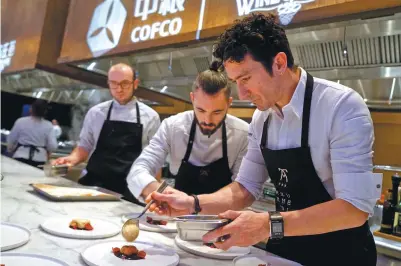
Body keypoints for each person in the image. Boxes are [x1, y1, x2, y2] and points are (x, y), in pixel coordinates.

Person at [147, 14, 382, 266]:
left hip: (341, 255)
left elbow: (354, 209)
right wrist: (191, 204)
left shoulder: (341, 107)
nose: (241, 93)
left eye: (246, 79)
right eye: (236, 82)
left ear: (279, 63)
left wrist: (268, 225)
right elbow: (245, 188)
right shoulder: (262, 118)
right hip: (285, 252)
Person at [127, 63, 249, 200]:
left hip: (222, 217)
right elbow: (138, 170)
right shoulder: (173, 126)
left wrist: (193, 203)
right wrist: (159, 192)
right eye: (201, 110)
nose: (207, 120)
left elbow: (243, 188)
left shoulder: (243, 134)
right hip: (176, 216)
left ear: (229, 103)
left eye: (217, 112)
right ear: (192, 98)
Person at [53, 63, 160, 204]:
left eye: (125, 84)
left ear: (135, 84)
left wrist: (156, 193)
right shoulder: (96, 113)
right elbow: (84, 147)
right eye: (114, 84)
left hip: (130, 190)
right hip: (94, 185)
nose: (119, 89)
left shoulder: (150, 116)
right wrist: (71, 159)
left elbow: (154, 159)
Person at [8, 100, 58, 168]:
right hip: (39, 159)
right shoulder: (48, 125)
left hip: (20, 156)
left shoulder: (20, 121)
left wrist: (10, 150)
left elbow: (11, 140)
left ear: (31, 109)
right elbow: (53, 146)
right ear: (45, 111)